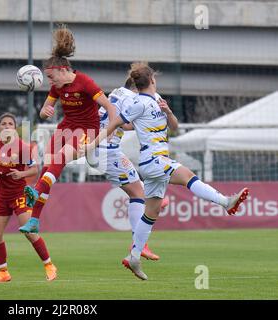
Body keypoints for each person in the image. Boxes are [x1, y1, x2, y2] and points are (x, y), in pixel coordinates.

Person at [85, 62, 249, 280]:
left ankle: (134, 257)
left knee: (151, 212)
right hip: (154, 160)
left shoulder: (156, 100)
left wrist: (168, 111)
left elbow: (175, 126)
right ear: (151, 80)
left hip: (156, 161)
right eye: (155, 78)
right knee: (188, 176)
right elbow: (114, 123)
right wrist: (92, 143)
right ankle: (225, 202)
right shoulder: (138, 103)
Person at [18, 25, 117, 234]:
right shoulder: (57, 86)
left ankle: (36, 192)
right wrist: (45, 111)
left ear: (63, 70)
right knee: (48, 164)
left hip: (86, 131)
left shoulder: (86, 83)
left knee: (60, 158)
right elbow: (47, 109)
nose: (50, 82)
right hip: (66, 127)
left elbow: (109, 108)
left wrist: (111, 129)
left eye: (52, 77)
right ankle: (34, 220)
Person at [87, 76, 170, 261]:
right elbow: (122, 122)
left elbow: (124, 123)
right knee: (137, 194)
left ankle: (152, 201)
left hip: (107, 149)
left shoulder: (117, 92)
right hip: (106, 150)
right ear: (136, 87)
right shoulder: (132, 98)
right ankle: (138, 244)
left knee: (137, 189)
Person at [0, 113, 57, 282]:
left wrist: (21, 174)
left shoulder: (22, 147)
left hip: (19, 193)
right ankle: (3, 272)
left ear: (15, 127)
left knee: (29, 231)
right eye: (3, 124)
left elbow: (34, 170)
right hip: (1, 195)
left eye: (10, 123)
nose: (6, 126)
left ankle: (49, 265)